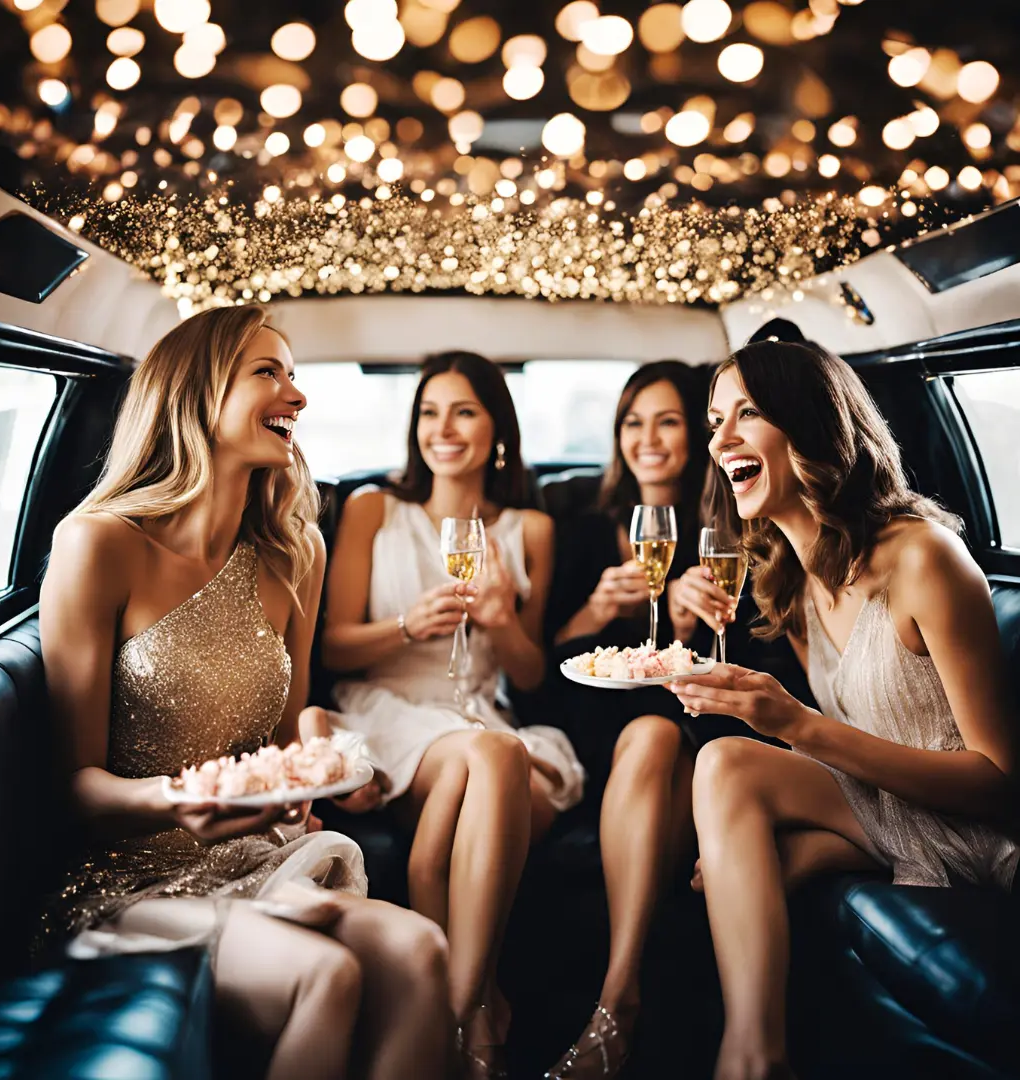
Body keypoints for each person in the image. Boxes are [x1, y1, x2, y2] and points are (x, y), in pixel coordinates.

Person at [38, 306, 451, 1080]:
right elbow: (77, 789)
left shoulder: (295, 553)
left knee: (422, 948)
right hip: (127, 877)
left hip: (251, 855)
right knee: (325, 977)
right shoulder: (97, 544)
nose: (296, 395)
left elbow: (292, 733)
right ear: (195, 393)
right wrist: (175, 800)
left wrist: (325, 763)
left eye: (294, 375)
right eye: (269, 372)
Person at [668, 339, 1019, 1080]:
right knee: (723, 773)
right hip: (881, 808)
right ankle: (755, 1053)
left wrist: (795, 723)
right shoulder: (789, 581)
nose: (719, 439)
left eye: (747, 414)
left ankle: (751, 1061)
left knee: (734, 787)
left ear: (811, 426)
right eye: (712, 421)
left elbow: (999, 781)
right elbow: (851, 740)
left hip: (974, 830)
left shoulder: (925, 559)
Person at [309, 349, 584, 1078]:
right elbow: (333, 650)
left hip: (481, 713)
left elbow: (529, 676)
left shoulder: (531, 529)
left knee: (496, 764)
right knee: (497, 760)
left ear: (498, 429)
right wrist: (405, 625)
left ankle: (456, 1003)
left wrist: (498, 619)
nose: (444, 429)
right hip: (391, 710)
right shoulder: (374, 510)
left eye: (463, 411)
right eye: (430, 412)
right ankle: (478, 1009)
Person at [541, 361, 737, 1079]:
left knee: (659, 734)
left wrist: (692, 623)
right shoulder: (583, 527)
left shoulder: (724, 532)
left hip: (690, 732)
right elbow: (541, 669)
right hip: (597, 732)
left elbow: (746, 662)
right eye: (632, 422)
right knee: (645, 735)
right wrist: (596, 611)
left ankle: (617, 999)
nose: (646, 439)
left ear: (698, 433)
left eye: (668, 421)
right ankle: (623, 997)